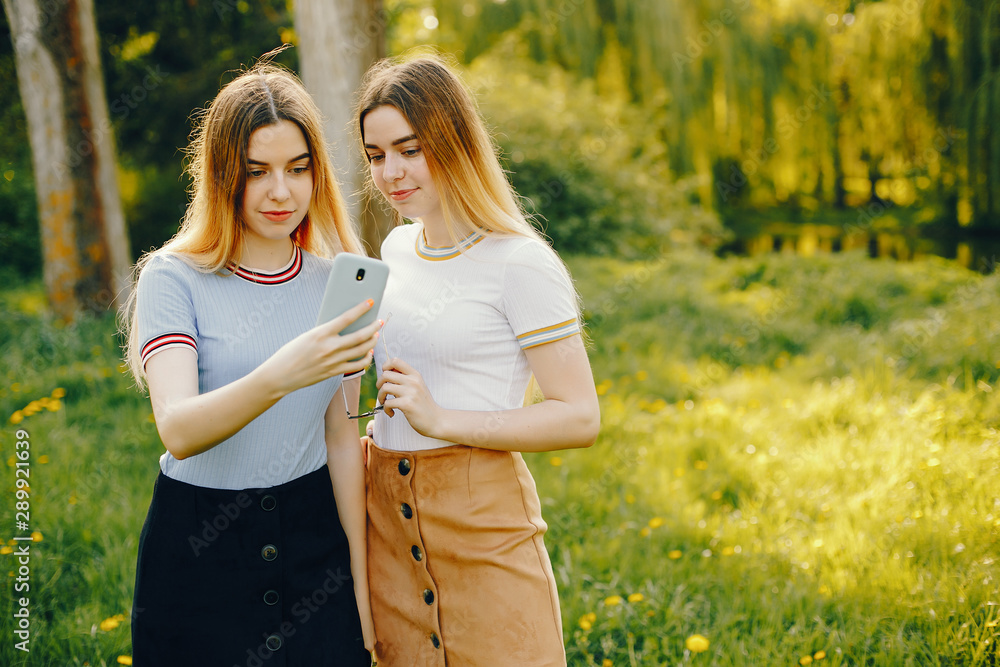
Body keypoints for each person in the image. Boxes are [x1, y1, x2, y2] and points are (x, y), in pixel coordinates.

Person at [120, 55, 379, 666]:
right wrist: (284, 372)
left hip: (316, 538)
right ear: (221, 174)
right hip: (200, 550)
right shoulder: (173, 277)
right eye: (256, 171)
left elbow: (342, 443)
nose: (281, 191)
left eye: (298, 168)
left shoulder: (337, 284)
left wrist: (362, 593)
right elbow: (178, 428)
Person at [355, 54, 601, 666]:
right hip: (389, 528)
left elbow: (579, 416)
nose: (391, 172)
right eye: (376, 154)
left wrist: (443, 419)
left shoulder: (520, 262)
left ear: (454, 141)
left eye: (410, 149)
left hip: (483, 531)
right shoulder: (394, 250)